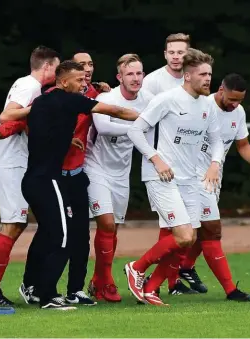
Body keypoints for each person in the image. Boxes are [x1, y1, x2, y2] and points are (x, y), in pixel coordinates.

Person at [22, 60, 139, 309]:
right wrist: (147, 118)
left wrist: (67, 142)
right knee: (63, 237)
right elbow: (115, 111)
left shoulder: (43, 101)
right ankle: (48, 295)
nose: (84, 83)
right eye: (79, 80)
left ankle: (36, 288)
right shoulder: (69, 100)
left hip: (35, 180)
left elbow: (44, 131)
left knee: (52, 234)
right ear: (64, 82)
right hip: (47, 180)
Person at [124, 48, 224, 306]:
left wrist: (214, 163)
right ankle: (137, 267)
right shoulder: (167, 99)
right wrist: (156, 159)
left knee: (189, 238)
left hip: (191, 179)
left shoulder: (208, 106)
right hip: (162, 177)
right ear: (187, 76)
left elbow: (216, 140)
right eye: (202, 74)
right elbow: (136, 130)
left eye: (210, 74)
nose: (207, 79)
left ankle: (151, 289)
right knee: (182, 236)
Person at [0, 46, 60, 305]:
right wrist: (40, 108)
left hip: (18, 162)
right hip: (11, 163)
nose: (56, 74)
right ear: (46, 67)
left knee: (21, 222)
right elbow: (7, 115)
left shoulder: (28, 85)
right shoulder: (31, 87)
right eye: (55, 69)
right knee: (13, 224)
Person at [178, 73, 250, 301]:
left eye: (240, 101)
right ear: (221, 90)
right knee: (212, 231)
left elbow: (242, 144)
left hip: (214, 179)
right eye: (232, 99)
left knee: (197, 232)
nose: (235, 105)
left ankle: (178, 269)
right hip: (193, 177)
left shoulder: (238, 113)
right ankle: (231, 290)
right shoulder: (201, 106)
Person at [84, 54, 153, 302]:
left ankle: (97, 280)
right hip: (96, 167)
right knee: (106, 224)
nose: (136, 78)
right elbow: (103, 127)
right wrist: (139, 125)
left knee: (114, 230)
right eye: (130, 74)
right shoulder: (106, 99)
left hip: (121, 172)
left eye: (139, 73)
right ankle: (107, 282)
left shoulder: (149, 101)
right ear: (119, 77)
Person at [141, 33, 197, 295]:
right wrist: (155, 158)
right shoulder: (153, 81)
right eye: (172, 52)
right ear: (165, 54)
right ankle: (153, 277)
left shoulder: (195, 79)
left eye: (181, 52)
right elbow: (141, 122)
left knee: (184, 228)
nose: (177, 57)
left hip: (188, 167)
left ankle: (170, 280)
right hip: (161, 166)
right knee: (172, 226)